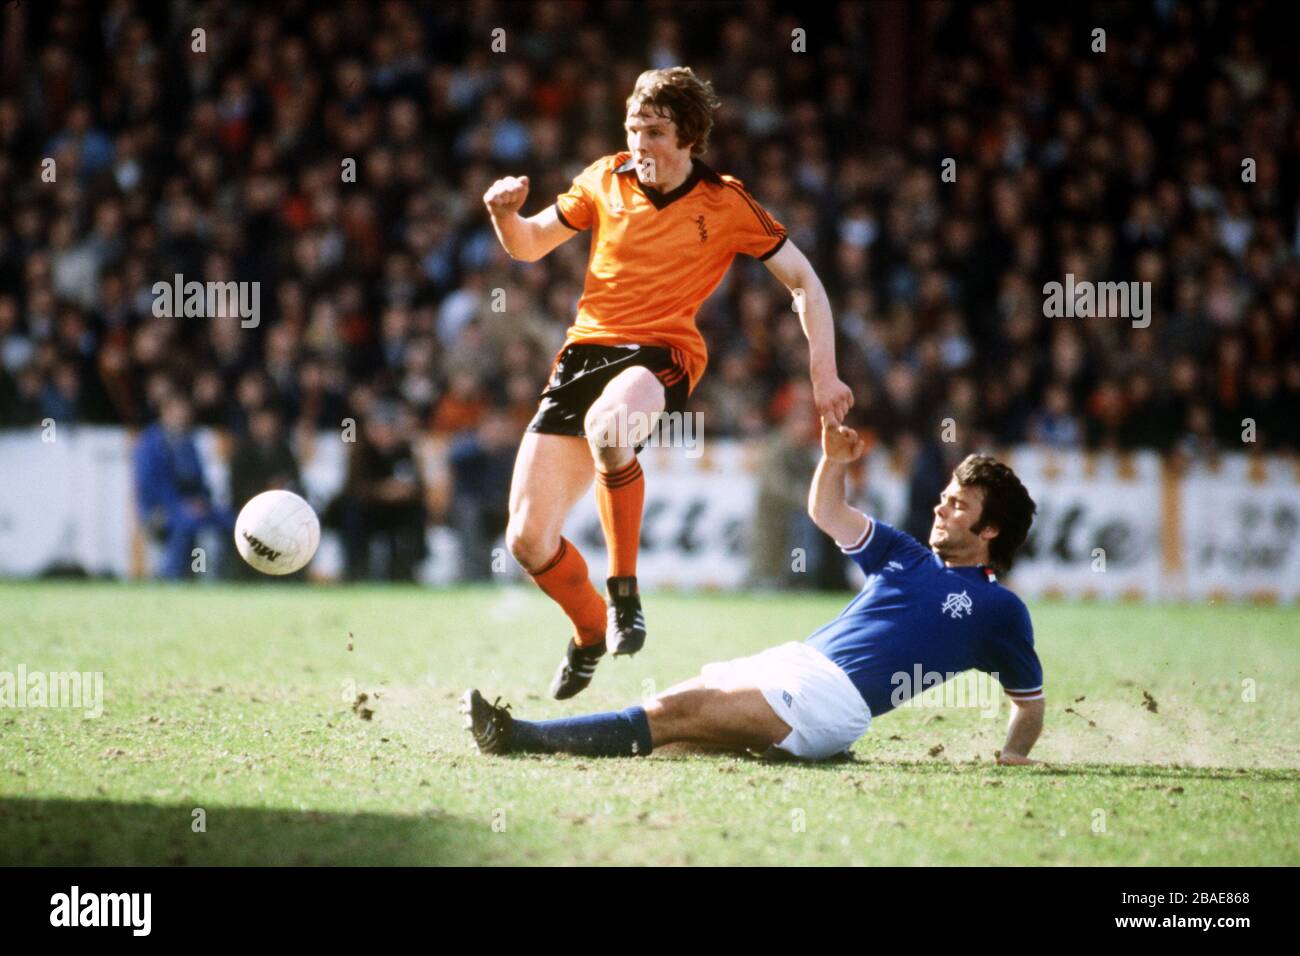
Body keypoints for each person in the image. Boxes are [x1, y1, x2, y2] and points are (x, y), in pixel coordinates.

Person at [482, 66, 853, 699]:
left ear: (689, 138)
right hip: (583, 356)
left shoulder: (726, 201)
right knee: (525, 538)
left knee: (611, 426)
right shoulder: (603, 178)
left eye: (654, 131)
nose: (639, 144)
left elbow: (805, 282)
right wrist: (503, 215)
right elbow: (528, 245)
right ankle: (590, 630)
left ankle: (624, 590)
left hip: (663, 353)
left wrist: (825, 376)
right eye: (632, 129)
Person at [462, 421, 1045, 765]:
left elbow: (1029, 700)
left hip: (833, 701)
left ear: (989, 531)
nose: (942, 507)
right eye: (945, 496)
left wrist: (1015, 754)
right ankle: (790, 750)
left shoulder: (1000, 608)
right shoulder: (906, 554)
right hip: (794, 662)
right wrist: (833, 459)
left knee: (672, 715)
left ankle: (518, 737)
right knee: (678, 732)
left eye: (959, 505)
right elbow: (826, 509)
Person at [134, 391, 234, 579]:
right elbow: (149, 486)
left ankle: (226, 576)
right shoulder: (149, 443)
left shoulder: (188, 441)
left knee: (232, 522)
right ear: (165, 412)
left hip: (193, 506)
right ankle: (173, 577)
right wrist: (180, 505)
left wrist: (202, 501)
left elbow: (199, 481)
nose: (183, 416)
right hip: (159, 510)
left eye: (185, 411)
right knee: (185, 523)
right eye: (178, 411)